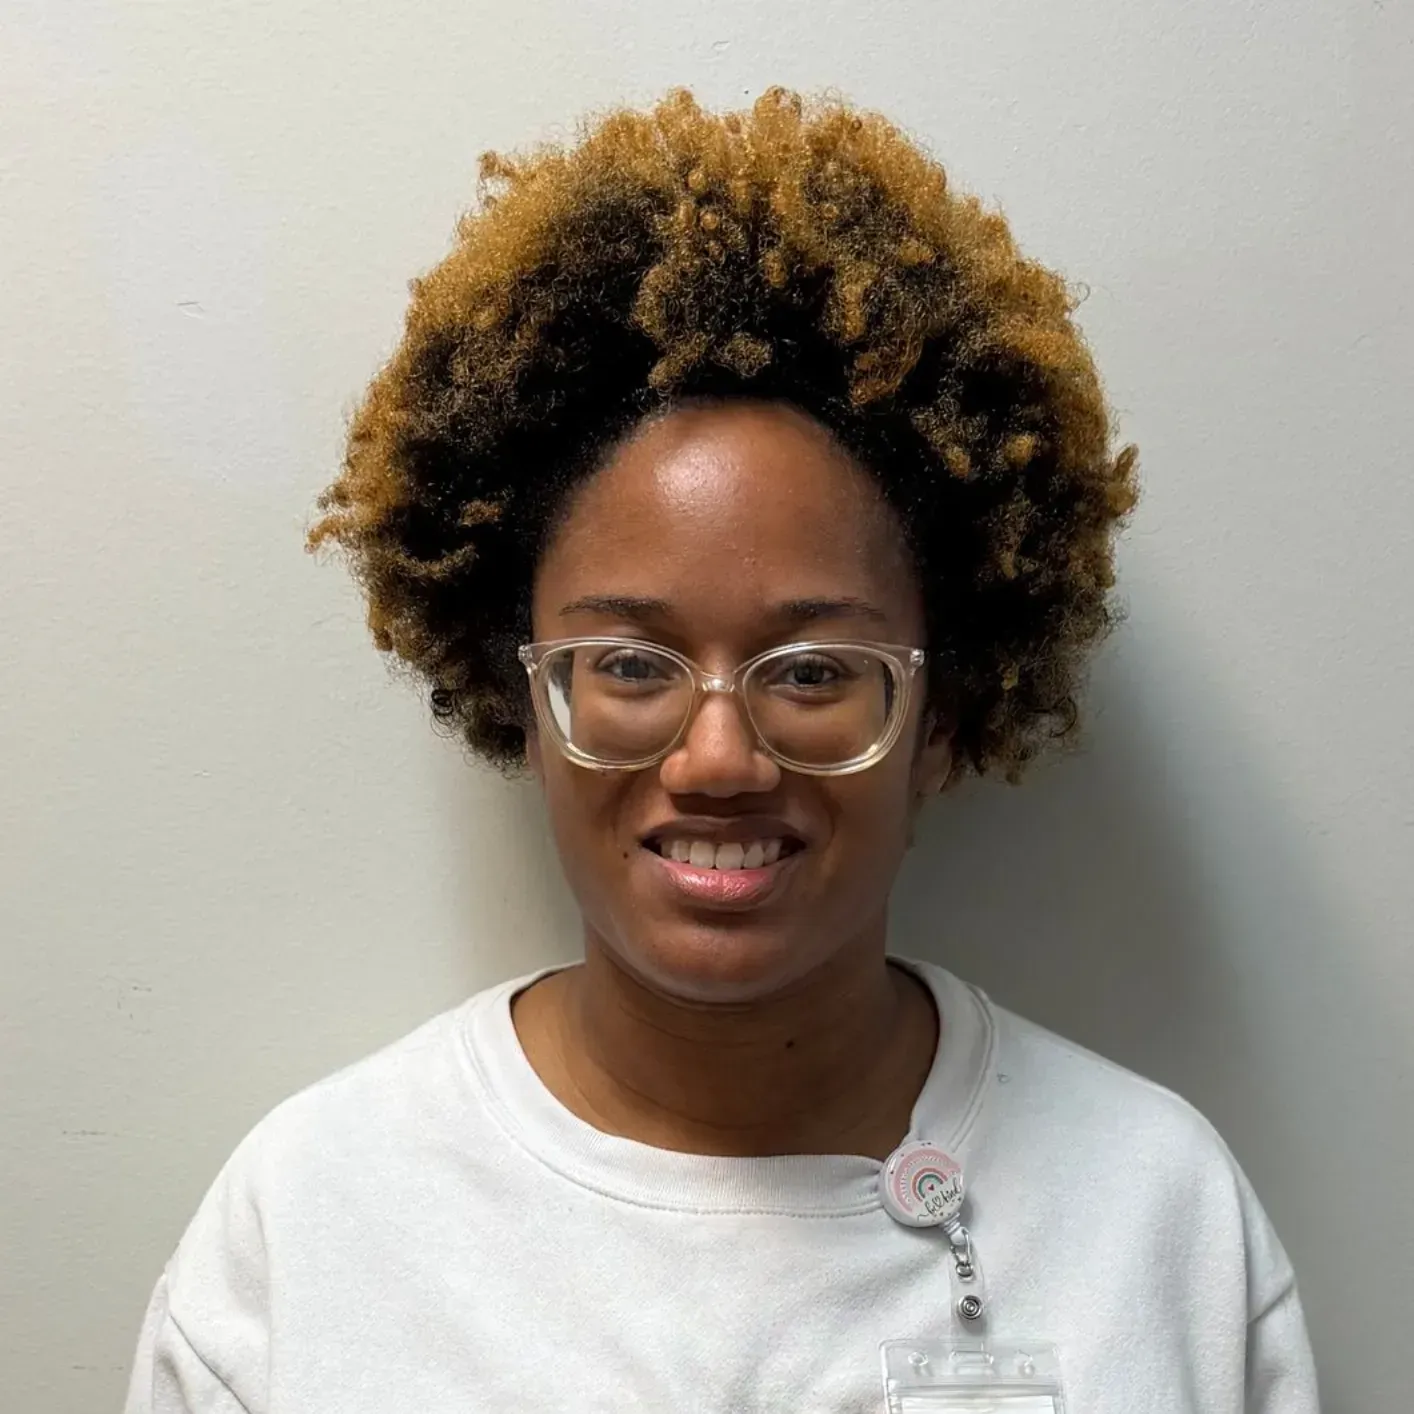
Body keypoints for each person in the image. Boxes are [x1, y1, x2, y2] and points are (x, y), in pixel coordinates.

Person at [124, 87, 1318, 1413]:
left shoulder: (1152, 1220)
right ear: (520, 699)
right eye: (628, 664)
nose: (715, 756)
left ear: (946, 716)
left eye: (812, 670)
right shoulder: (314, 1226)